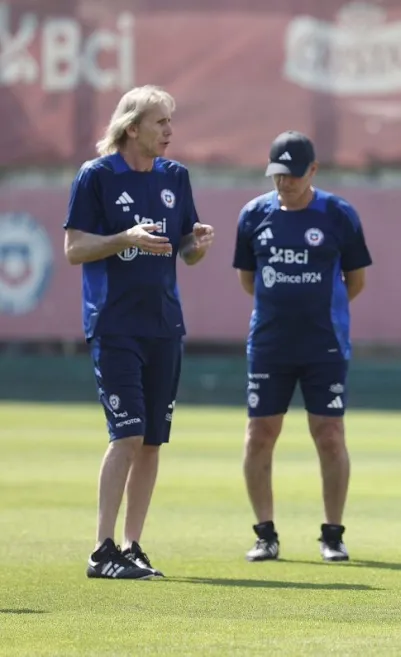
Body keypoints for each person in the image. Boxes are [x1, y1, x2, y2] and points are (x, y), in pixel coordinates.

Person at [63, 85, 215, 580]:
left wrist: (198, 245)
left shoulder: (175, 177)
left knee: (150, 440)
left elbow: (185, 250)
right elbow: (74, 248)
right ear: (132, 128)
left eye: (170, 122)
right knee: (126, 434)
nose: (169, 132)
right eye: (160, 123)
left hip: (164, 324)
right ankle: (101, 549)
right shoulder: (97, 176)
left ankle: (133, 546)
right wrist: (123, 239)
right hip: (114, 323)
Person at [233, 131, 372, 563]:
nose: (284, 183)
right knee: (260, 435)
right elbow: (248, 279)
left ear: (312, 170)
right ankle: (265, 534)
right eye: (278, 174)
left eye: (293, 174)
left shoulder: (338, 214)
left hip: (324, 343)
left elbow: (357, 280)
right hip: (270, 344)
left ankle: (332, 534)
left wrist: (319, 309)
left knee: (329, 435)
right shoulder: (254, 215)